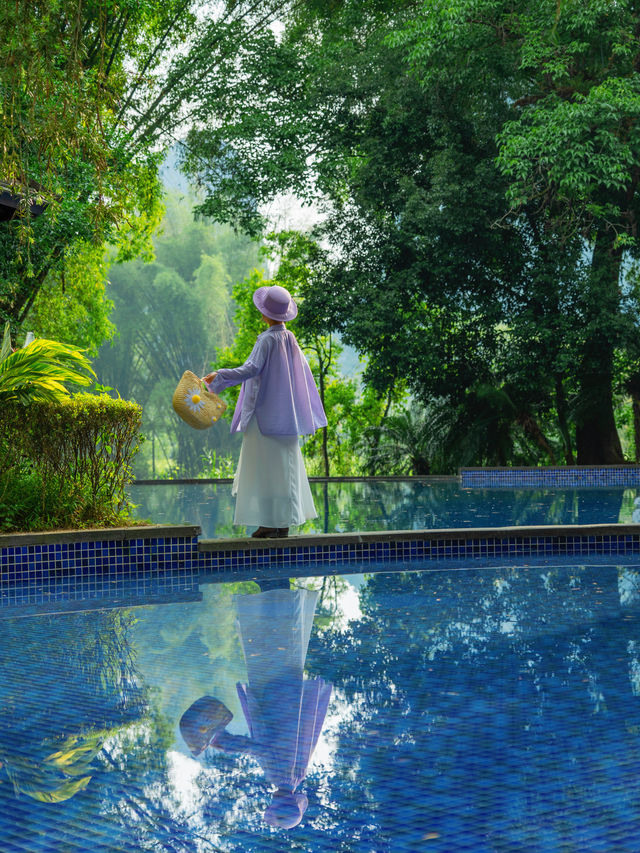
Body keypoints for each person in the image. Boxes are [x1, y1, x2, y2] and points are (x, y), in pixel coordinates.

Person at [203, 285, 327, 538]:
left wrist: (220, 376)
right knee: (284, 470)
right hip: (287, 417)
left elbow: (251, 369)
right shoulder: (289, 339)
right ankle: (282, 523)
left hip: (263, 418)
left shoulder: (268, 340)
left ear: (265, 313)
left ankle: (269, 523)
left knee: (264, 470)